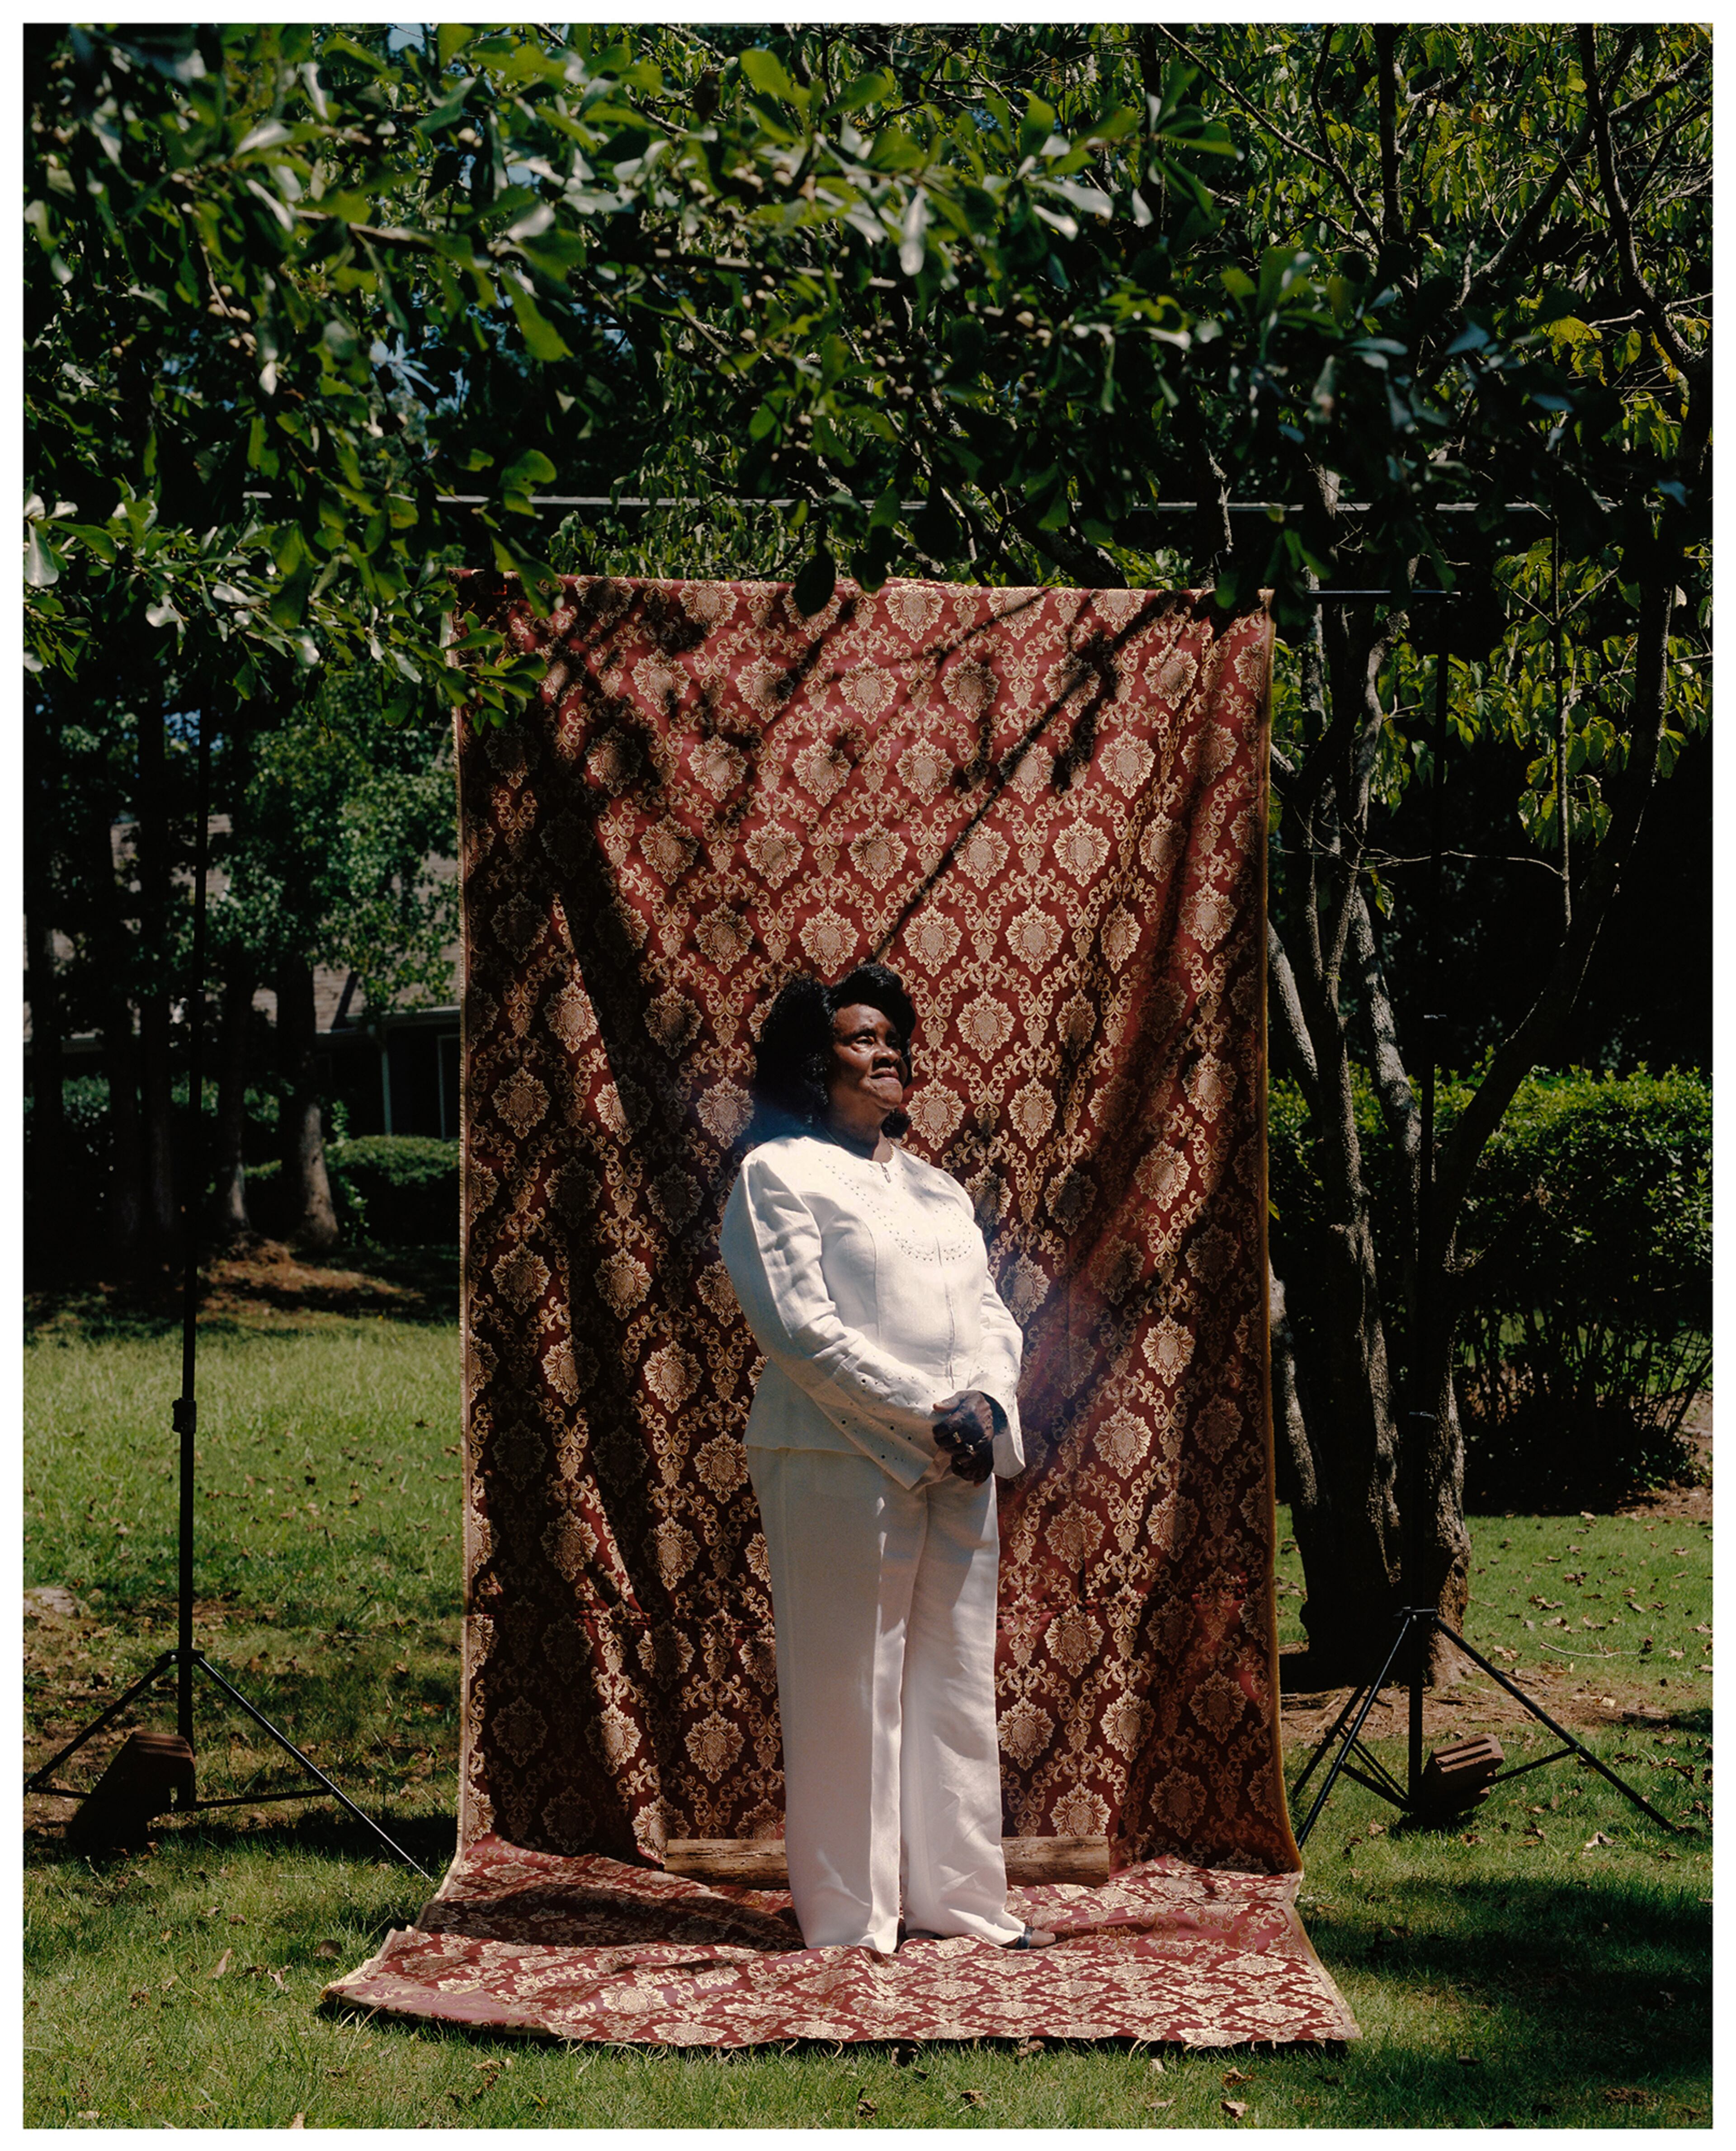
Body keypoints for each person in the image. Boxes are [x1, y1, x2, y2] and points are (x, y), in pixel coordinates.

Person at [719, 962, 1055, 1954]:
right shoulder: (774, 1173)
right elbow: (802, 1333)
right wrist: (930, 1410)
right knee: (846, 1686)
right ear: (812, 1064)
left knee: (954, 1684)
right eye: (863, 1038)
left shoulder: (938, 1187)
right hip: (835, 1461)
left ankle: (957, 1900)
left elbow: (991, 1315)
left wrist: (986, 1404)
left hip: (958, 1456)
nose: (889, 1051)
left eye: (894, 1035)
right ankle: (853, 1918)